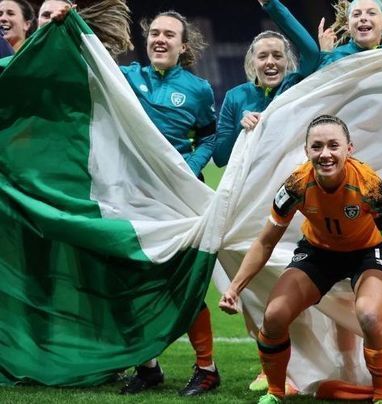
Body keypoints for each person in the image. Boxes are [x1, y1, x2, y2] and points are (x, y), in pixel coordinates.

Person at [219, 115, 382, 404]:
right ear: (307, 152)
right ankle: (276, 392)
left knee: (369, 315)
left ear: (349, 149)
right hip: (319, 253)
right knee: (274, 315)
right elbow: (265, 241)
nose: (325, 154)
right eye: (317, 147)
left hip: (367, 253)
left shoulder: (370, 186)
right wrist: (234, 289)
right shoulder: (295, 185)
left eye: (333, 145)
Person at [117, 11, 220, 396]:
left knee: (184, 283)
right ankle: (148, 367)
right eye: (154, 33)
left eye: (169, 35)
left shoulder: (198, 89)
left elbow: (210, 137)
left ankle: (207, 369)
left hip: (177, 200)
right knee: (133, 281)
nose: (160, 39)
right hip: (132, 197)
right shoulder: (125, 77)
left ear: (183, 45)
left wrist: (185, 168)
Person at [212, 0, 318, 167]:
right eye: (262, 56)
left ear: (287, 61)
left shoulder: (296, 84)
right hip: (251, 183)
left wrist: (272, 4)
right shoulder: (235, 97)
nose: (270, 62)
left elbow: (311, 52)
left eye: (277, 55)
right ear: (252, 62)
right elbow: (219, 157)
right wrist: (242, 128)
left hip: (291, 177)